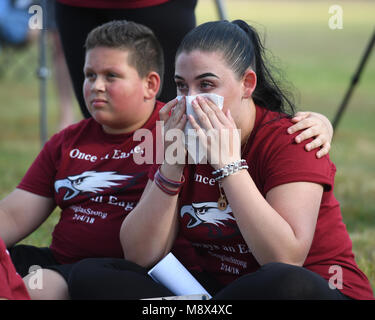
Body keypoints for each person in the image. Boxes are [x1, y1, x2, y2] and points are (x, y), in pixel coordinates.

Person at [0, 20, 332, 300]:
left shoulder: (292, 137)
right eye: (181, 86)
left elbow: (284, 260)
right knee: (92, 274)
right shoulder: (177, 136)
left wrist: (227, 164)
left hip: (293, 290)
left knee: (286, 283)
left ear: (247, 84)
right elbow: (141, 256)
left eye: (206, 85)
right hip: (213, 292)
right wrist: (171, 165)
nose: (191, 100)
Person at [55, 0, 198, 118]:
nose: (96, 85)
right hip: (77, 7)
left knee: (171, 118)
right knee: (97, 120)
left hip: (158, 6)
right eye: (91, 76)